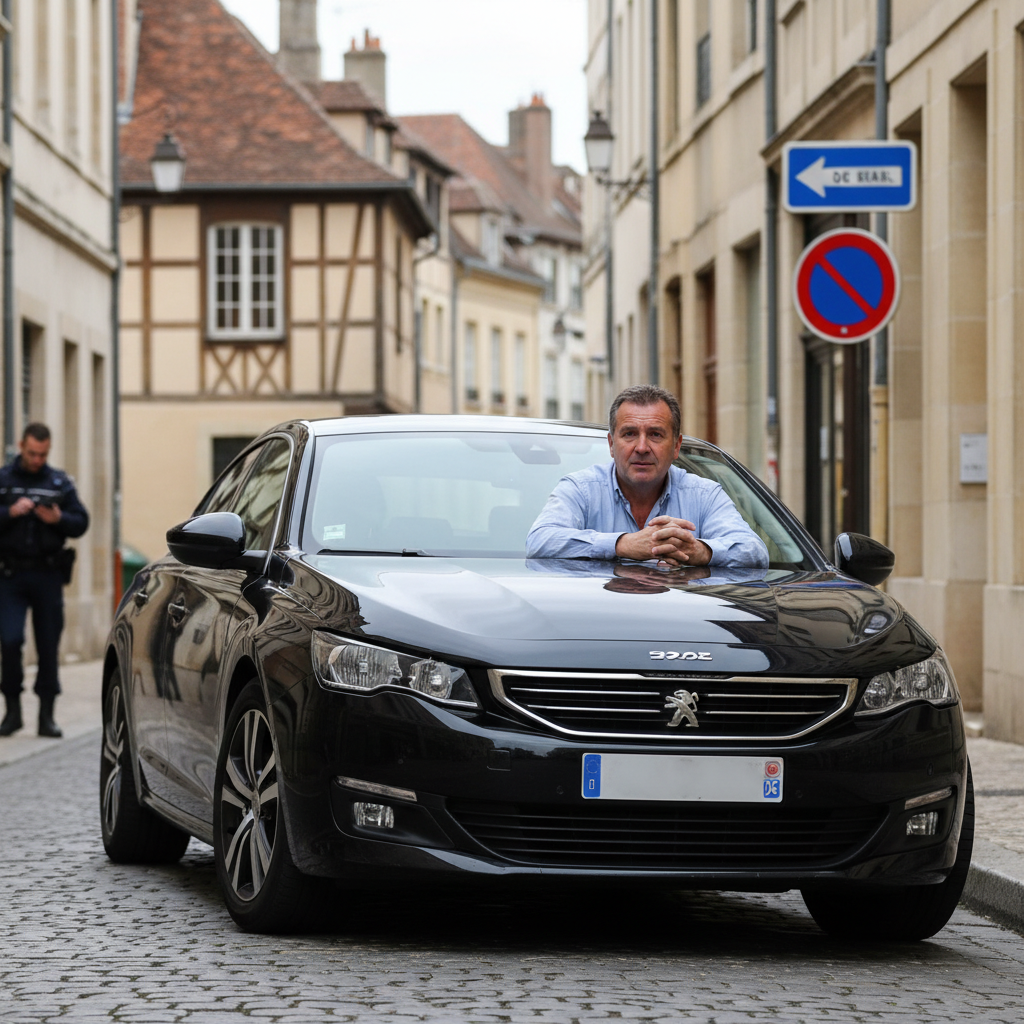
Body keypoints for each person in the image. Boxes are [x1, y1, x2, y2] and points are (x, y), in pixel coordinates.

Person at [526, 384, 768, 569]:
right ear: (611, 445)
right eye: (629, 434)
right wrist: (622, 544)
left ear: (676, 446)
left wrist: (701, 551)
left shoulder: (704, 494)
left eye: (655, 435)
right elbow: (540, 540)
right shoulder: (581, 489)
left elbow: (754, 550)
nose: (641, 447)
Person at [0, 423, 89, 737]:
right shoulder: (4, 479)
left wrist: (58, 519)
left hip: (47, 575)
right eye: (32, 453)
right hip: (10, 575)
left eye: (43, 454)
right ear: (21, 445)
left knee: (49, 645)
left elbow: (81, 521)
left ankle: (46, 716)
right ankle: (12, 711)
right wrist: (9, 512)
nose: (37, 459)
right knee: (9, 641)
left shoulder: (58, 482)